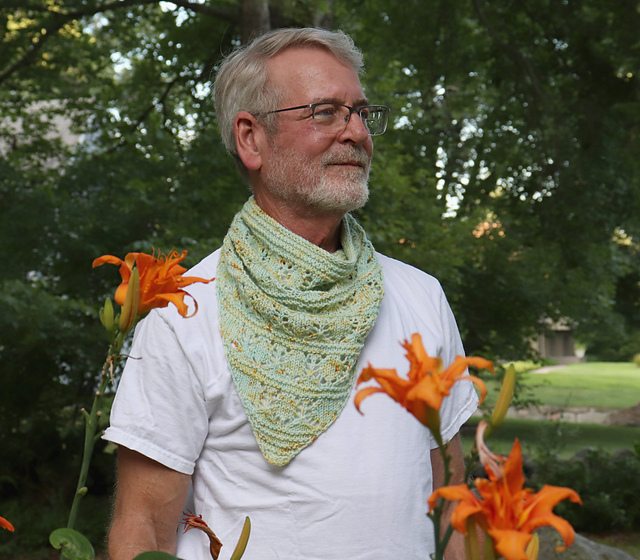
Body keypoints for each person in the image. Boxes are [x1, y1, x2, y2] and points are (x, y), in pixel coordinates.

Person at [106, 27, 478, 560]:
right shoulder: (184, 313)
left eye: (362, 113)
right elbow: (141, 528)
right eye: (326, 112)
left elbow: (453, 503)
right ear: (250, 139)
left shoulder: (422, 296)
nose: (356, 132)